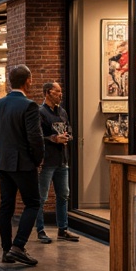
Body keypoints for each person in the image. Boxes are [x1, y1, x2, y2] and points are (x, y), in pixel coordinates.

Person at [0, 64, 44, 266]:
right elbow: (35, 139)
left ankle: (6, 250)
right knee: (33, 203)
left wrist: (1, 153)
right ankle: (18, 246)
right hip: (23, 163)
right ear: (28, 80)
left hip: (2, 162)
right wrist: (37, 160)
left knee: (6, 205)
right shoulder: (29, 106)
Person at [35, 82, 79, 243]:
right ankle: (40, 230)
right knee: (42, 197)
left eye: (61, 91)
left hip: (62, 160)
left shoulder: (62, 112)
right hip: (47, 160)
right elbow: (38, 137)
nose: (60, 94)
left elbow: (69, 129)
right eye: (57, 91)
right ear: (47, 93)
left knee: (63, 195)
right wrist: (54, 138)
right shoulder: (40, 112)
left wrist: (68, 137)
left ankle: (63, 229)